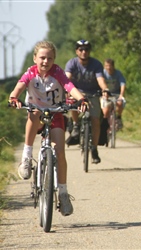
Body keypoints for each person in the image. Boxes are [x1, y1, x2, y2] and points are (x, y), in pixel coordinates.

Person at [8, 41, 88, 215]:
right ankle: (27, 157)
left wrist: (82, 100)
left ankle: (64, 194)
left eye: (49, 58)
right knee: (34, 112)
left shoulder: (58, 72)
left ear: (54, 60)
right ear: (35, 58)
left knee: (60, 151)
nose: (45, 61)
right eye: (42, 58)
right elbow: (20, 86)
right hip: (36, 114)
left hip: (55, 114)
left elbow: (69, 86)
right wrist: (14, 97)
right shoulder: (31, 72)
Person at [65, 39, 109, 164]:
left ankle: (94, 149)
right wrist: (65, 88)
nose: (84, 52)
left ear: (89, 51)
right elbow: (67, 78)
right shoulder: (72, 63)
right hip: (76, 93)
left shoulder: (96, 64)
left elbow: (100, 79)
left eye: (86, 49)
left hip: (92, 94)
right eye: (81, 49)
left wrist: (105, 89)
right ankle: (76, 124)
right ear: (76, 51)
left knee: (95, 120)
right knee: (72, 103)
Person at [101, 58, 126, 129]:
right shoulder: (102, 73)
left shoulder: (118, 73)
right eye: (106, 66)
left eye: (109, 66)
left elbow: (123, 84)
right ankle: (104, 124)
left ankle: (119, 117)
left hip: (116, 93)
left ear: (113, 66)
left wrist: (121, 95)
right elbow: (100, 82)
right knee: (105, 111)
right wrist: (103, 92)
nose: (108, 68)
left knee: (120, 103)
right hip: (105, 94)